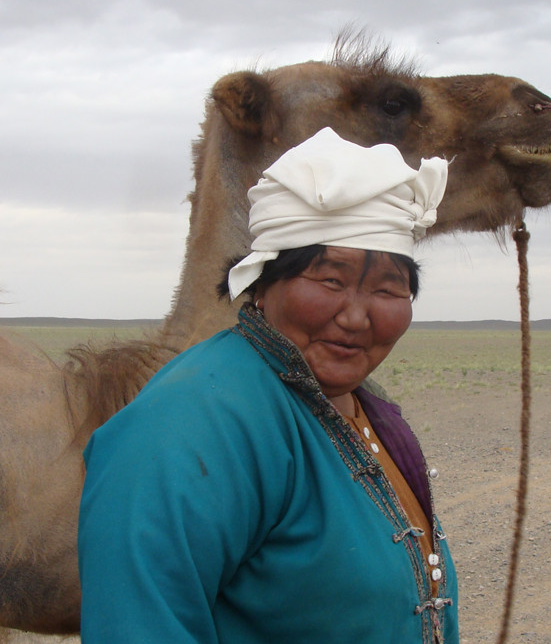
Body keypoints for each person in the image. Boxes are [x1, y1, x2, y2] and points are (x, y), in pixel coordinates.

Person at [78, 127, 458, 643]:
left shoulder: (366, 411)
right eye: (330, 281)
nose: (356, 317)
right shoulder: (192, 421)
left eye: (388, 288)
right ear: (261, 282)